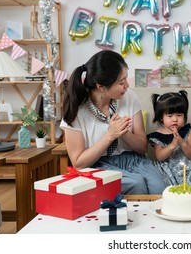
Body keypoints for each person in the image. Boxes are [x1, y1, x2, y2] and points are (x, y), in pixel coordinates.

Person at [61, 50, 166, 195]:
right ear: (101, 87)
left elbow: (143, 148)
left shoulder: (129, 97)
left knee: (158, 185)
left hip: (133, 160)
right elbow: (78, 163)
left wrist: (123, 133)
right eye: (121, 82)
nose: (127, 85)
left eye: (126, 79)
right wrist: (110, 135)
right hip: (97, 165)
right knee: (136, 184)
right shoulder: (76, 110)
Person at [147, 90, 191, 186]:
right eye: (170, 116)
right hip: (166, 170)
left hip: (186, 168)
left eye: (179, 115)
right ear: (161, 117)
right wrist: (172, 145)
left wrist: (181, 141)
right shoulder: (157, 136)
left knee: (190, 187)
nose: (175, 119)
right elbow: (159, 157)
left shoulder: (187, 131)